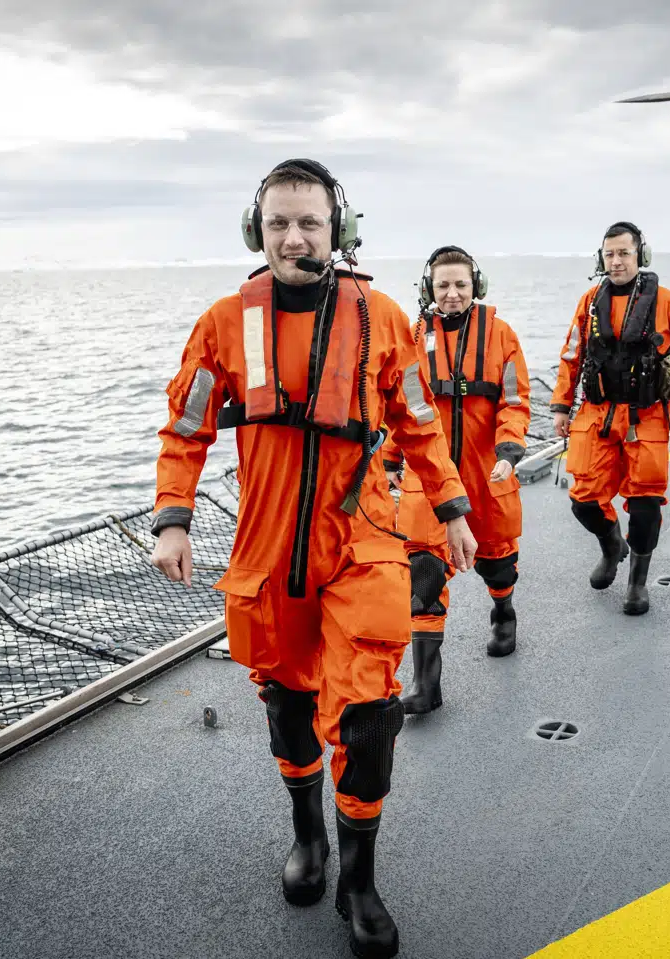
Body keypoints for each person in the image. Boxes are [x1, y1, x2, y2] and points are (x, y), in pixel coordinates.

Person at [149, 158, 476, 959]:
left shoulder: (384, 318)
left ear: (341, 230)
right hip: (266, 547)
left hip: (361, 539)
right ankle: (308, 834)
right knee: (287, 702)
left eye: (310, 223)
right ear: (255, 231)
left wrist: (453, 508)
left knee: (368, 717)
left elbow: (420, 423)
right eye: (278, 223)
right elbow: (187, 428)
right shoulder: (223, 323)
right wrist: (173, 519)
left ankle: (359, 882)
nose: (293, 237)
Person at [381, 245, 531, 714]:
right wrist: (389, 458)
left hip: (488, 473)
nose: (451, 293)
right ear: (428, 288)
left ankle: (503, 611)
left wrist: (509, 449)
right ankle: (427, 687)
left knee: (497, 561)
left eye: (460, 284)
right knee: (423, 575)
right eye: (442, 285)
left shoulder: (502, 335)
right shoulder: (412, 338)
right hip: (428, 477)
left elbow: (514, 401)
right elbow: (401, 407)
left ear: (475, 286)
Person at [549, 221, 670, 616]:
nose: (616, 261)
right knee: (583, 500)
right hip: (596, 415)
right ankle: (612, 546)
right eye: (609, 254)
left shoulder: (668, 302)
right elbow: (572, 356)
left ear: (640, 256)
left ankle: (637, 583)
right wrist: (560, 407)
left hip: (646, 417)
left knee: (645, 504)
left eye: (624, 253)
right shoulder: (589, 302)